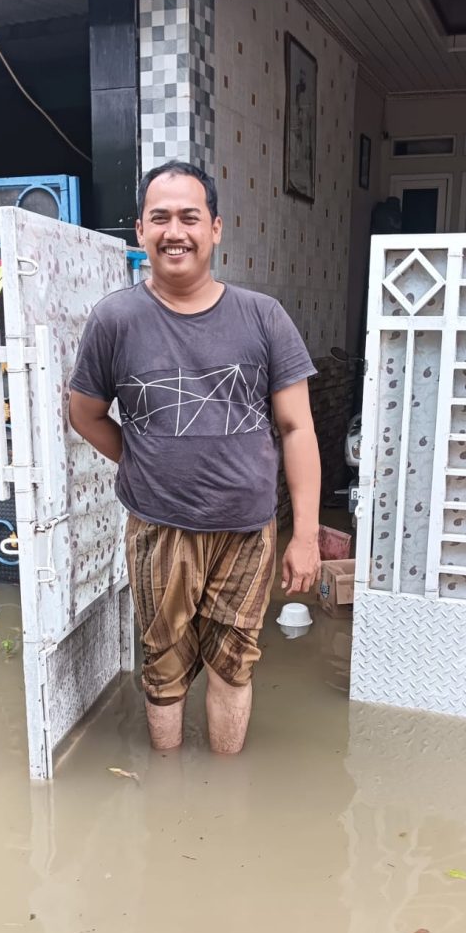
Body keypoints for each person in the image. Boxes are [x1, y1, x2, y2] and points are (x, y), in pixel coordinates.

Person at [69, 161, 321, 755]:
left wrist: (305, 534)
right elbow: (85, 414)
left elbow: (297, 428)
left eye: (189, 216)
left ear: (216, 228)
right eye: (160, 217)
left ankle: (222, 792)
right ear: (139, 231)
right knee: (163, 663)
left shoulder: (264, 317)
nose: (174, 230)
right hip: (159, 529)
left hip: (247, 530)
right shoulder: (115, 319)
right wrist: (141, 462)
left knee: (235, 664)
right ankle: (171, 793)